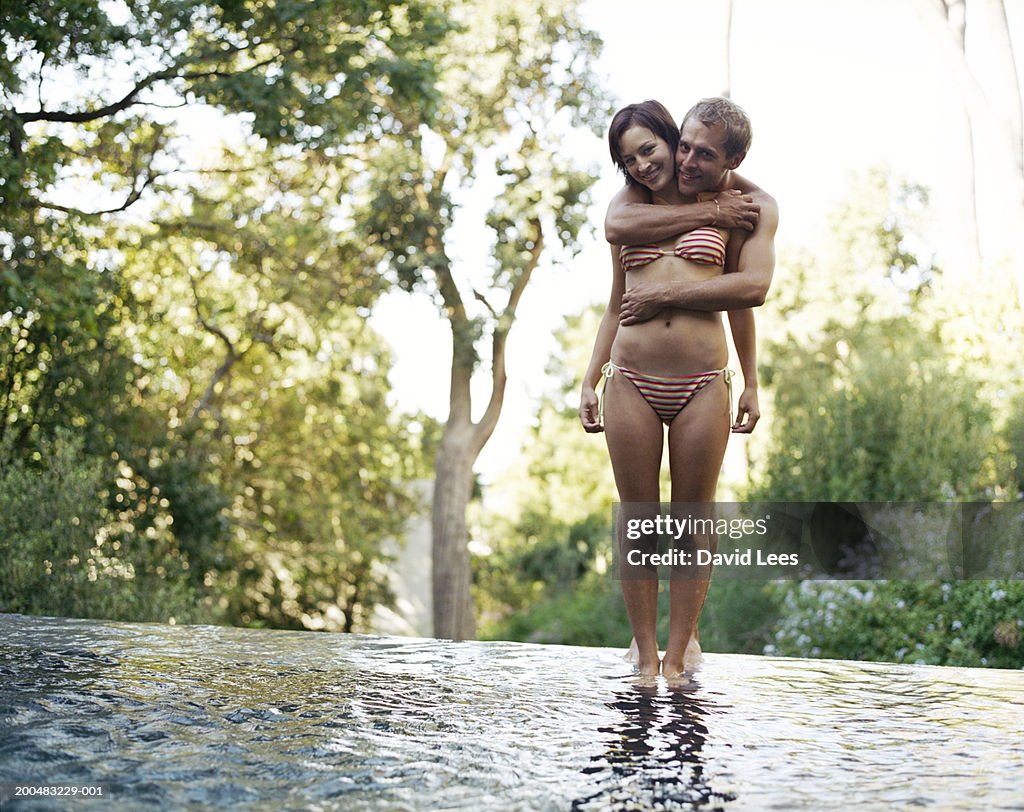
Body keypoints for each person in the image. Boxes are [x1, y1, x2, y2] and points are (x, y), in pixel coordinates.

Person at [579, 98, 779, 680]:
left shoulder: (741, 207)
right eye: (629, 158)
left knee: (696, 517)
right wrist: (590, 379)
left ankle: (680, 647)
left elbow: (743, 298)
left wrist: (751, 380)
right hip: (632, 380)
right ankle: (643, 652)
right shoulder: (629, 206)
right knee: (637, 517)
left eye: (652, 149)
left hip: (702, 381)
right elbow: (617, 302)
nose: (649, 163)